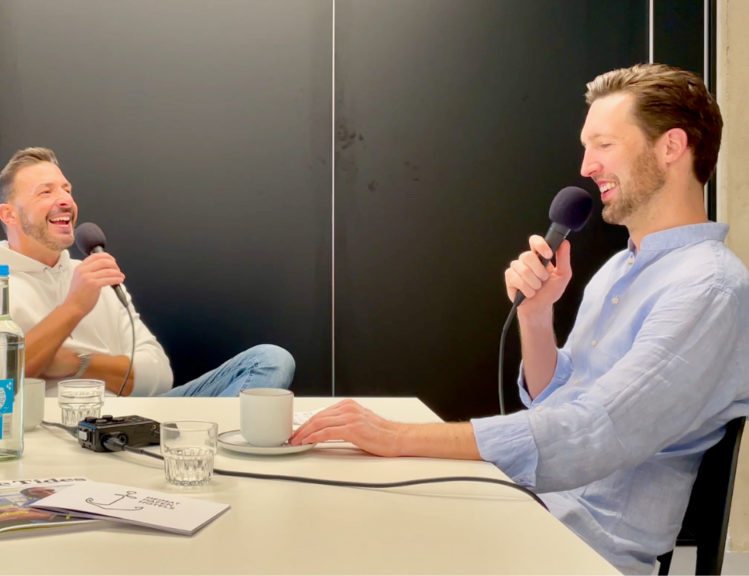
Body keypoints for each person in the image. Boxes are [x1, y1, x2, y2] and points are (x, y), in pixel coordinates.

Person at [290, 63, 749, 575]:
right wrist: (536, 316)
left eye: (604, 144)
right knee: (342, 509)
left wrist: (398, 437)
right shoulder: (619, 269)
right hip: (532, 507)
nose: (586, 166)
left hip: (581, 545)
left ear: (671, 147)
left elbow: (594, 432)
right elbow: (557, 398)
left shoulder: (708, 287)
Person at [0, 147, 295, 397]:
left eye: (67, 190)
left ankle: (199, 450)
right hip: (42, 427)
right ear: (9, 215)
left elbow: (158, 376)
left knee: (270, 359)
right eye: (46, 191)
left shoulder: (93, 275)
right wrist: (74, 307)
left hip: (125, 421)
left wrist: (77, 362)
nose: (65, 201)